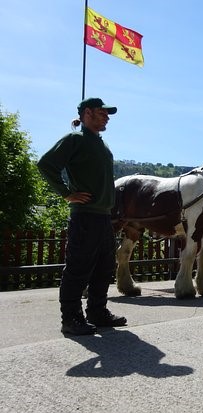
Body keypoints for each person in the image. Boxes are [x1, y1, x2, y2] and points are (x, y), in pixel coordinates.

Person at [37, 97, 127, 335]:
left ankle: (97, 312)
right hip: (85, 216)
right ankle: (71, 319)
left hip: (103, 217)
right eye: (102, 112)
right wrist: (67, 193)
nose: (107, 117)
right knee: (78, 267)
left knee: (104, 266)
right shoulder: (75, 139)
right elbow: (46, 164)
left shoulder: (101, 143)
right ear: (87, 113)